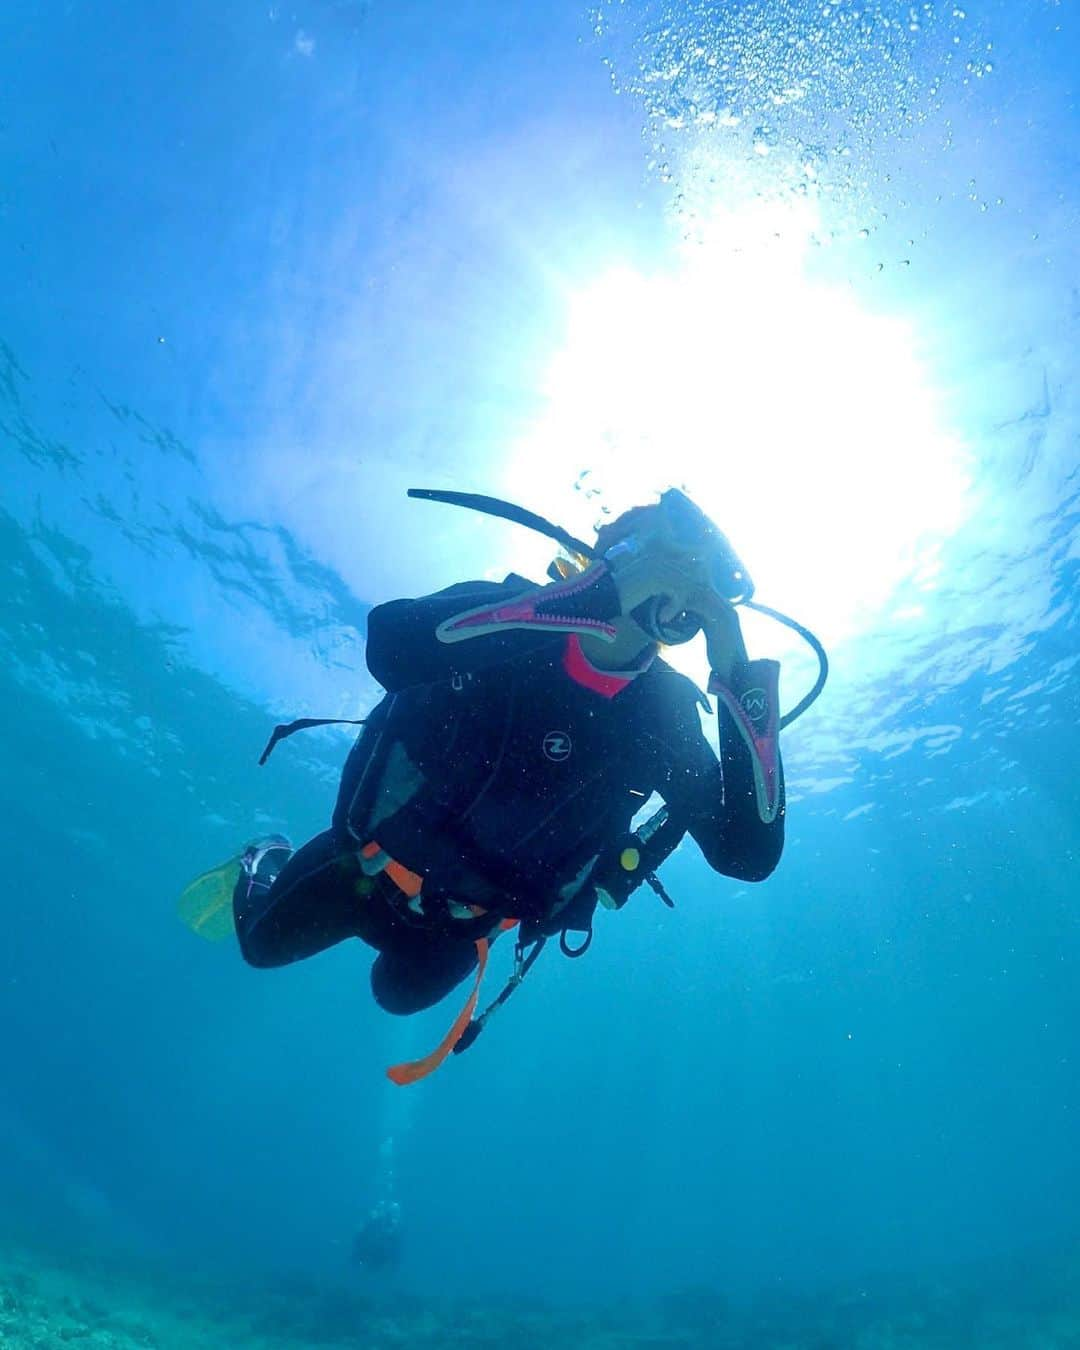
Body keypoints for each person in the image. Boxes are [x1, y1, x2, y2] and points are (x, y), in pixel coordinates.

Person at [230, 488, 790, 1080]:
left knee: (396, 994)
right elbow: (391, 645)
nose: (675, 581)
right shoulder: (509, 615)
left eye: (690, 576)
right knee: (261, 947)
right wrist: (603, 597)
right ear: (610, 553)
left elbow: (747, 855)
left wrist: (737, 669)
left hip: (469, 921)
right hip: (363, 867)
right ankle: (264, 858)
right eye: (661, 557)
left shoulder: (663, 718)